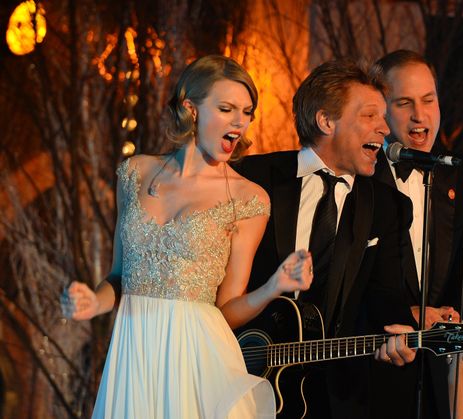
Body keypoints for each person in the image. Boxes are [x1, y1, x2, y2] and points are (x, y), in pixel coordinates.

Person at [61, 55, 314, 418]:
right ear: (191, 109)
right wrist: (92, 303)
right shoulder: (135, 173)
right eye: (227, 108)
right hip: (133, 356)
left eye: (247, 111)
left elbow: (228, 309)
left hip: (197, 363)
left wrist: (273, 286)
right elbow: (119, 276)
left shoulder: (247, 199)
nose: (240, 121)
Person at [233, 59, 417, 418]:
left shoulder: (387, 207)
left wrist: (400, 331)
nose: (385, 129)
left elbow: (386, 294)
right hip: (240, 383)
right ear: (326, 121)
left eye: (384, 117)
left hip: (333, 399)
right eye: (370, 116)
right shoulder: (251, 178)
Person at [368, 49, 463, 419]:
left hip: (434, 376)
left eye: (429, 100)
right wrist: (405, 315)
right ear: (381, 109)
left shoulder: (459, 176)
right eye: (404, 103)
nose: (420, 116)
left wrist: (450, 316)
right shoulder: (362, 177)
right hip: (369, 370)